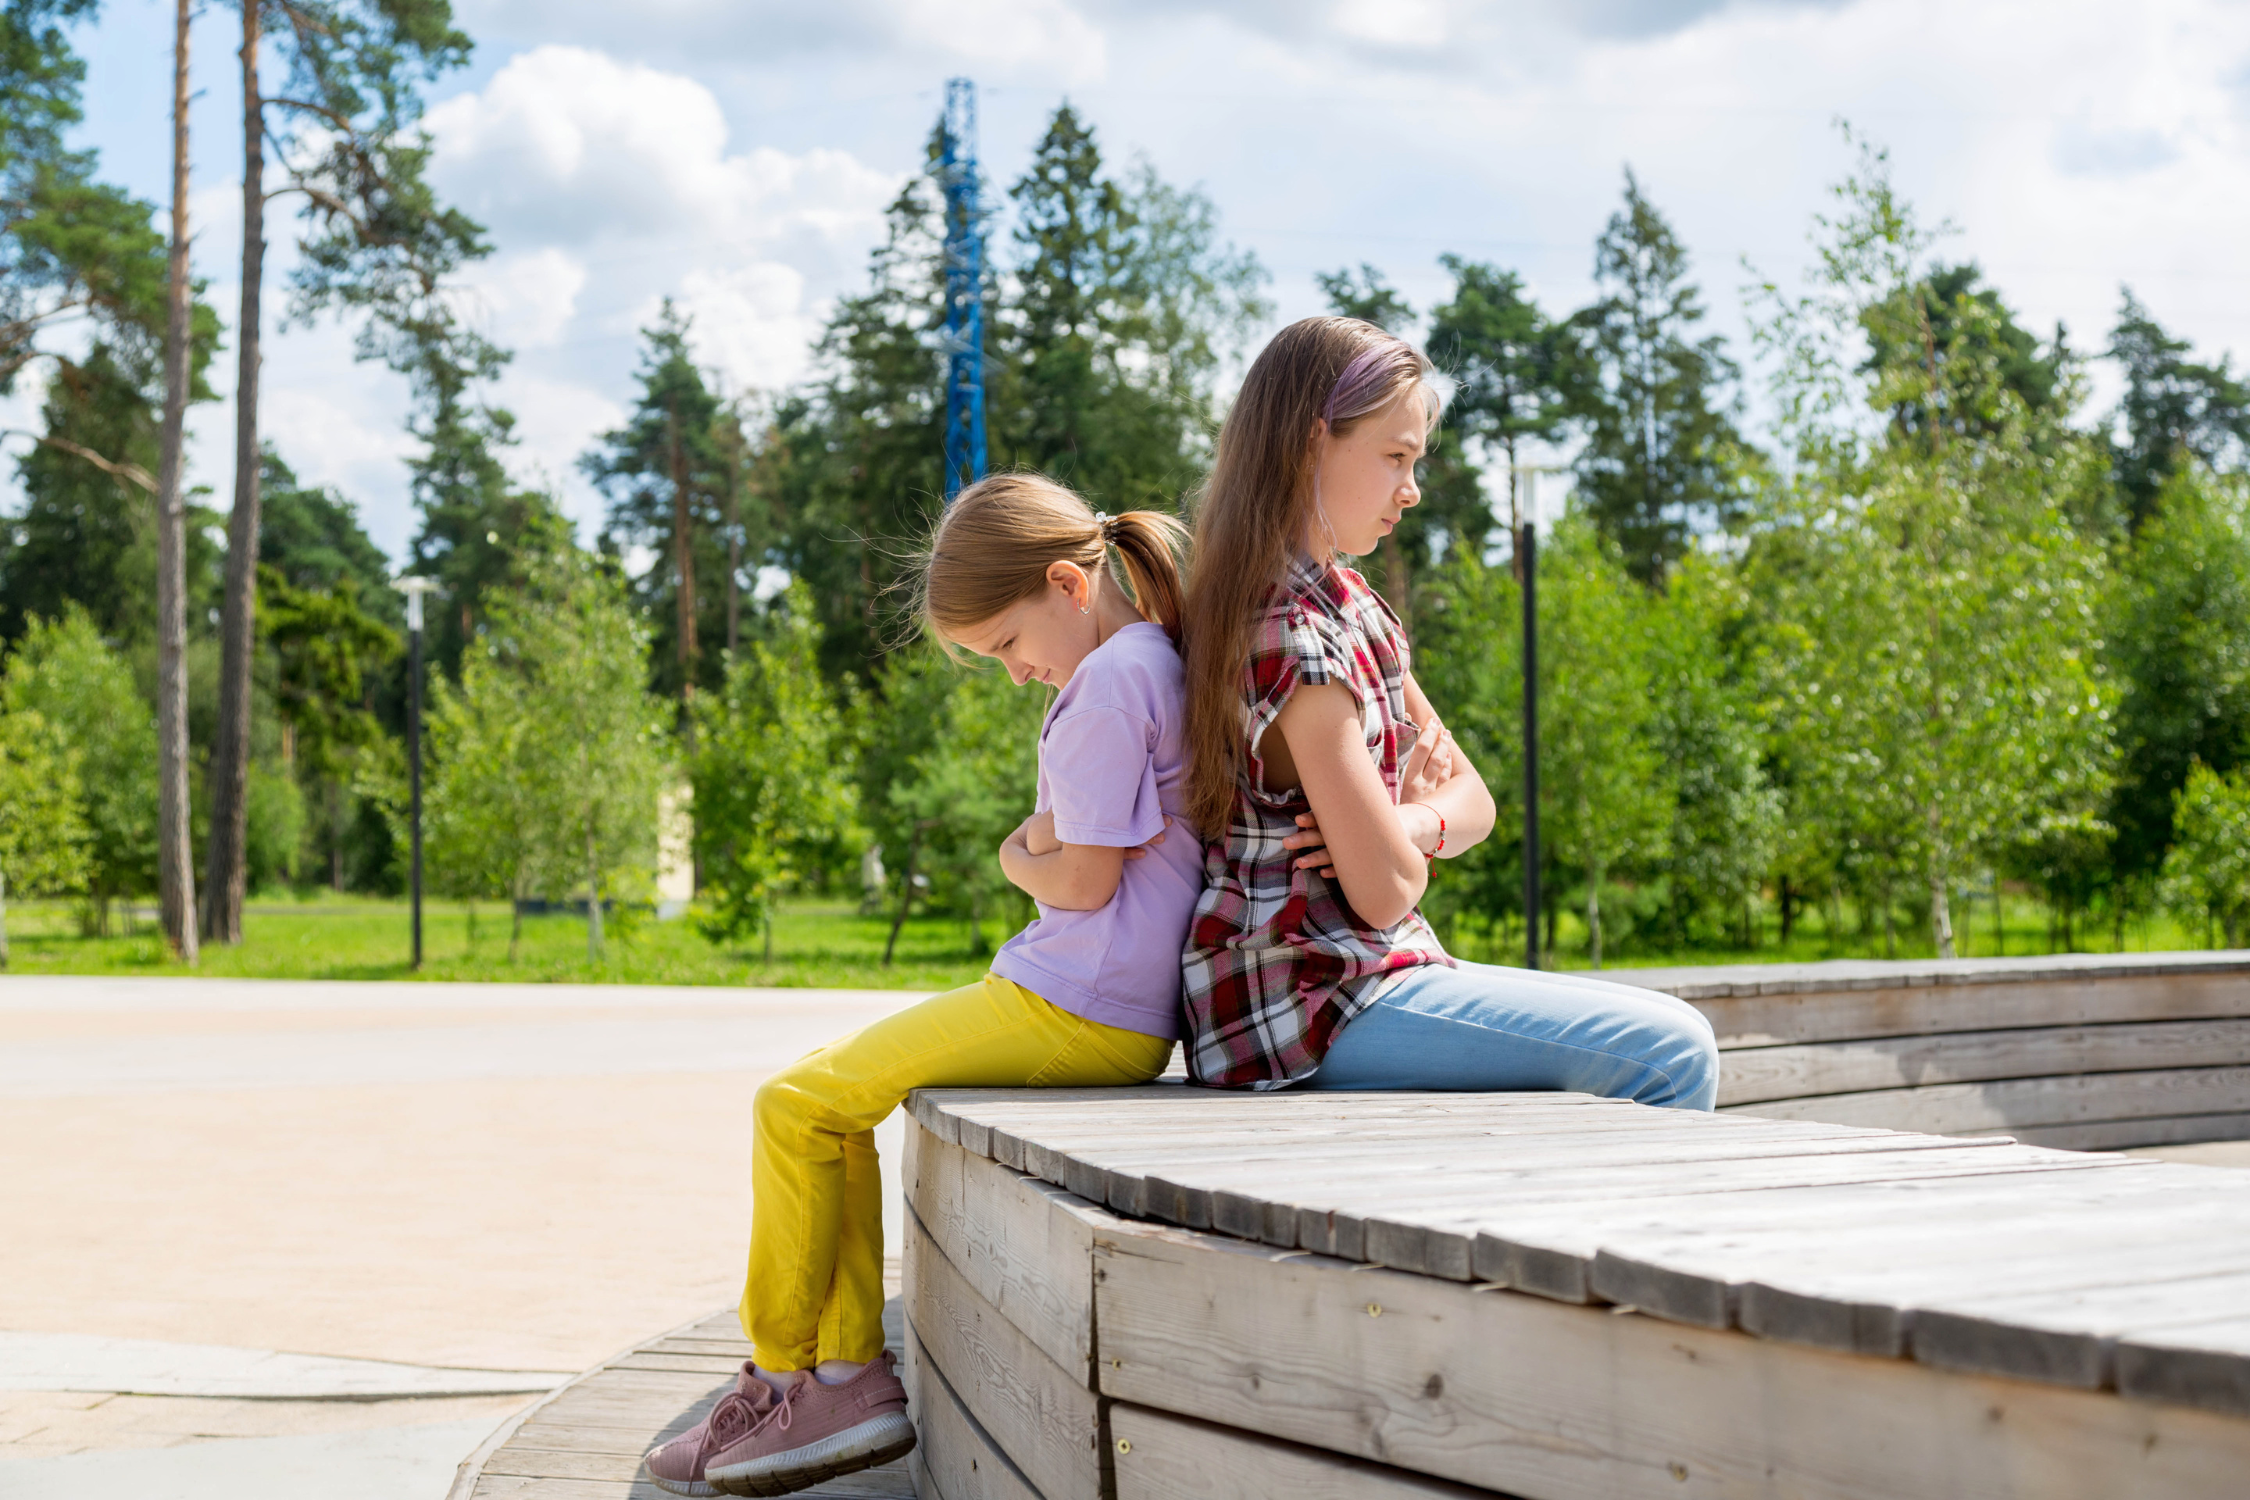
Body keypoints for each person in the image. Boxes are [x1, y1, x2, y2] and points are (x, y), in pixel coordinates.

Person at [643, 475, 1202, 1498]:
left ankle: (794, 1375)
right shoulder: (1148, 659)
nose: (1014, 672)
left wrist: (1012, 857)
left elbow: (1077, 878)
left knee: (794, 1103)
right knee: (824, 1095)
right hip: (1087, 1000)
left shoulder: (1111, 684)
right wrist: (1044, 845)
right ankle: (838, 1372)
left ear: (1068, 583)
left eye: (1005, 644)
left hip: (1077, 1005)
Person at [1178, 315, 1720, 1104]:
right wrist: (1411, 829)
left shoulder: (1349, 604)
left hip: (1360, 979)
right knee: (1672, 1052)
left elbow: (1475, 803)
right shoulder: (1290, 634)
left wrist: (1408, 821)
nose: (1412, 487)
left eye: (1416, 459)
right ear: (1308, 444)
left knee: (1667, 1026)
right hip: (1301, 1004)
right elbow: (1387, 891)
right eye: (1394, 456)